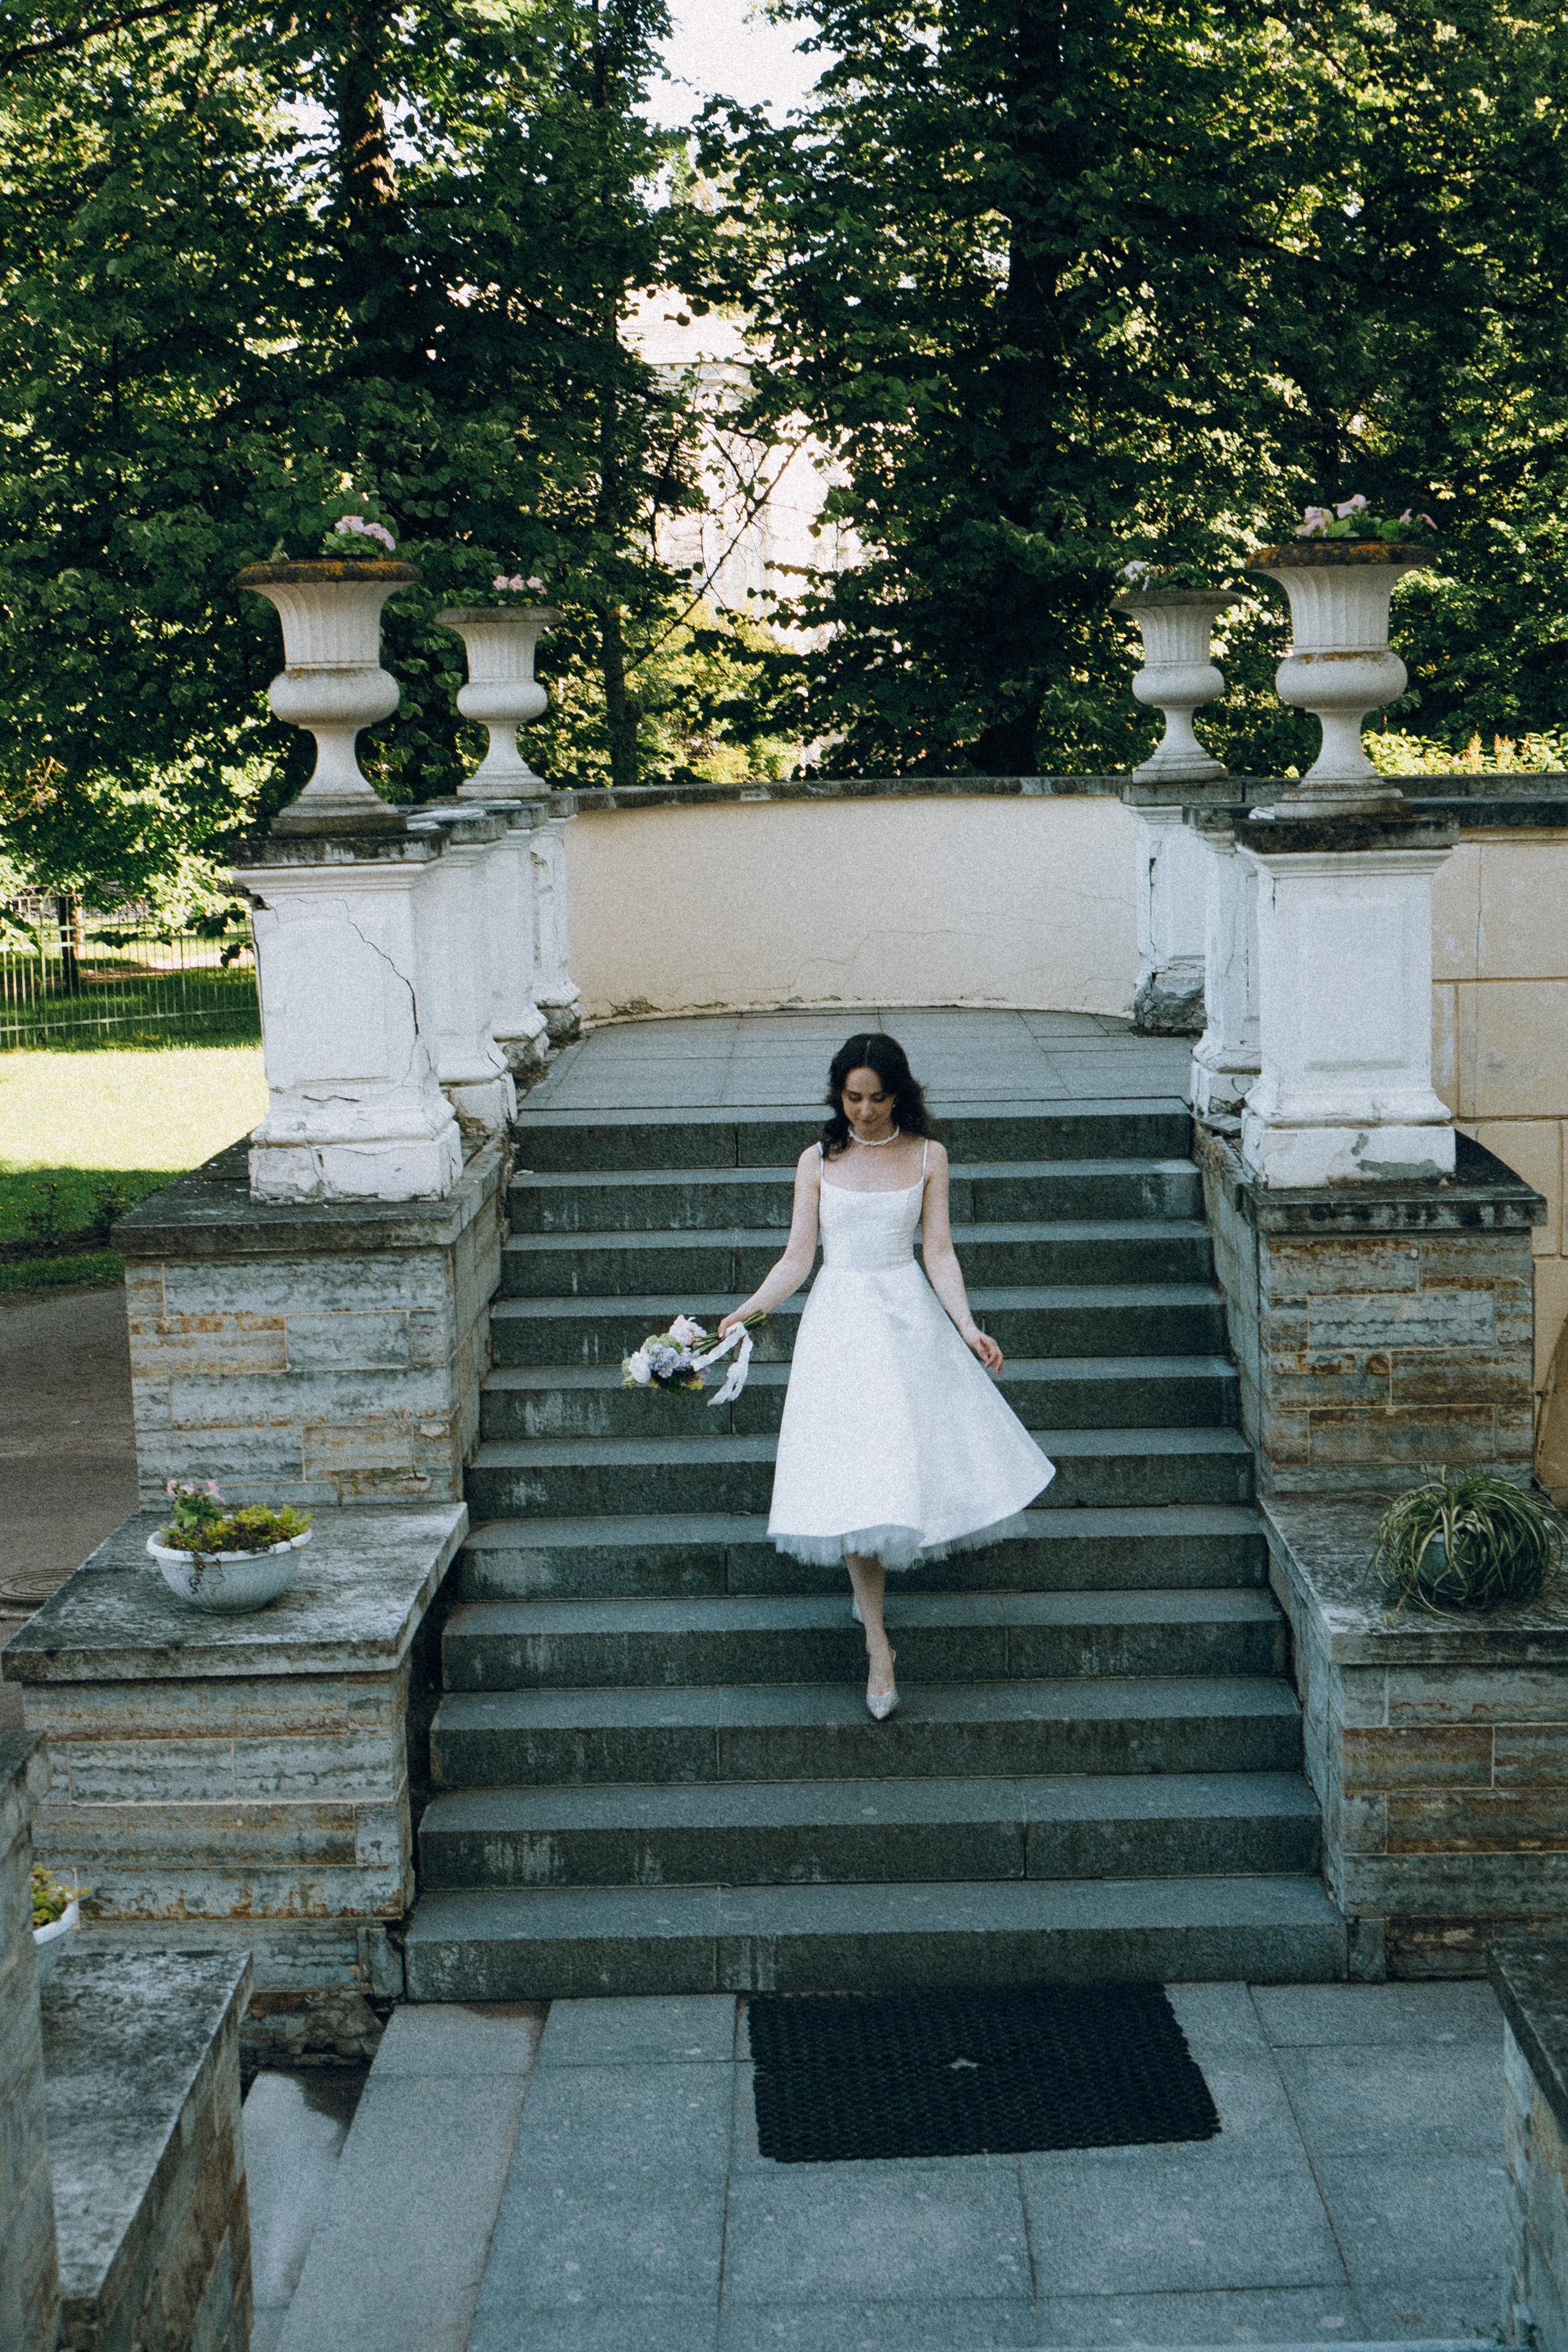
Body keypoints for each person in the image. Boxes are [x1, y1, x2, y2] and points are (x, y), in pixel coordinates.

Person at [718, 1032, 1055, 1721]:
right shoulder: (816, 1160)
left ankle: (867, 1600)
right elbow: (797, 1257)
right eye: (852, 1098)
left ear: (897, 1094)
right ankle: (878, 1643)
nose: (864, 1112)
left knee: (891, 1472)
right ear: (837, 1095)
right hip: (840, 1324)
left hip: (905, 1321)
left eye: (876, 1098)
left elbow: (938, 1252)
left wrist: (966, 1327)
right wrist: (745, 1313)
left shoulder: (929, 1155)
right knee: (857, 1482)